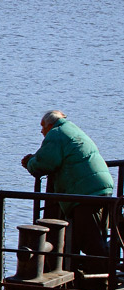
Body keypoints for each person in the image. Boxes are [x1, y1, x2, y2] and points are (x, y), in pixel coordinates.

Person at [22, 110, 114, 262]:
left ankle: (101, 281)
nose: (41, 131)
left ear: (50, 124)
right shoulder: (71, 129)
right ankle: (92, 274)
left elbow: (45, 162)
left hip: (85, 193)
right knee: (94, 236)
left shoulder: (56, 134)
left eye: (42, 126)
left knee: (90, 241)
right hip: (101, 188)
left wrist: (30, 163)